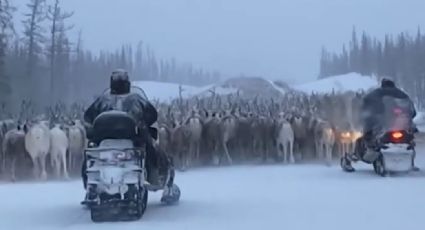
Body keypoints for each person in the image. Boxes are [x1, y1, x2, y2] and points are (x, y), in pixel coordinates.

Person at [81, 69, 178, 203]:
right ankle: (156, 176)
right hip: (133, 140)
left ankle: (89, 186)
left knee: (90, 156)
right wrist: (143, 122)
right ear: (127, 83)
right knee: (153, 151)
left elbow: (88, 116)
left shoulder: (103, 100)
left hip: (104, 143)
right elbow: (152, 114)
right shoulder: (136, 99)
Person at [344, 78, 418, 171]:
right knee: (410, 140)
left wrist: (366, 117)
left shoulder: (375, 94)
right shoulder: (402, 95)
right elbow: (413, 112)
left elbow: (366, 106)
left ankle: (355, 156)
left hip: (385, 129)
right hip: (401, 129)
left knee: (367, 139)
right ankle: (409, 162)